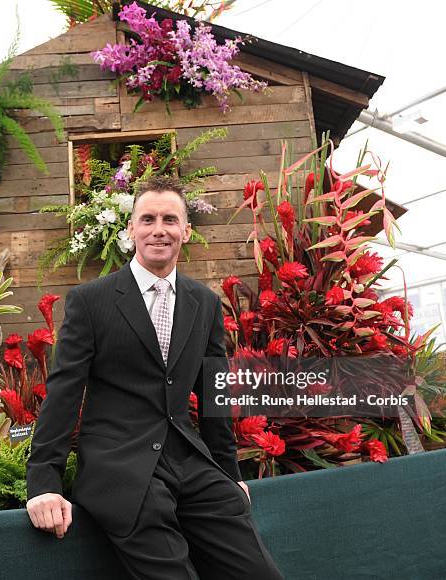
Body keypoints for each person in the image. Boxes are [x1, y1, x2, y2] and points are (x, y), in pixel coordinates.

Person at [26, 176, 283, 579]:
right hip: (120, 469)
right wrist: (44, 481)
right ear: (131, 229)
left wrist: (231, 474)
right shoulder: (90, 301)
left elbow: (214, 395)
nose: (158, 229)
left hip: (190, 463)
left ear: (186, 230)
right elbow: (63, 392)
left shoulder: (205, 303)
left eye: (169, 219)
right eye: (147, 219)